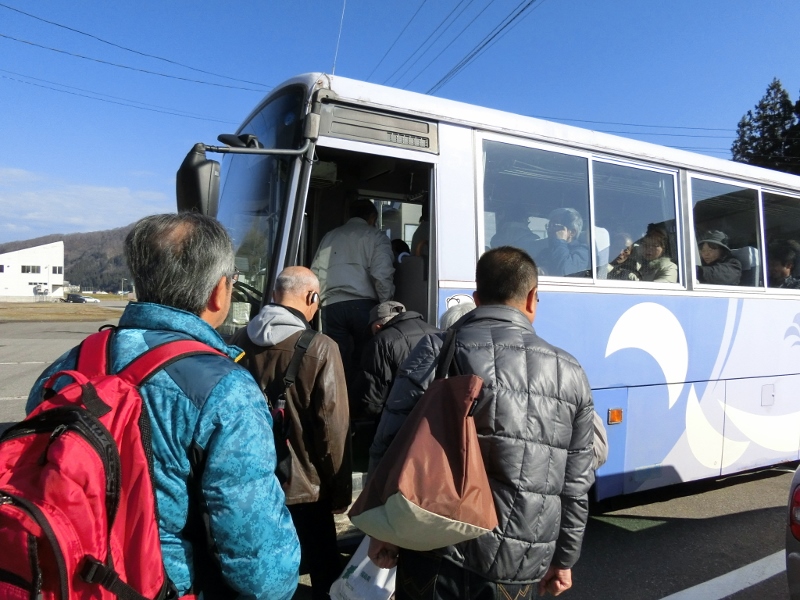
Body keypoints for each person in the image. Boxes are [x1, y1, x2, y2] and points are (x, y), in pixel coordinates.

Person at [26, 213, 300, 599]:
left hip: (60, 576)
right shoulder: (225, 390)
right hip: (164, 587)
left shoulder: (66, 368)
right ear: (218, 292)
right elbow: (257, 557)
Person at [368, 246, 595, 599]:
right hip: (517, 561)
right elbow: (576, 483)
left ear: (476, 298)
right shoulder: (570, 372)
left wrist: (382, 528)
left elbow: (390, 444)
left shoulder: (436, 348)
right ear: (533, 298)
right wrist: (563, 558)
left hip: (433, 542)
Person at [231, 266, 352, 600]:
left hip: (253, 483)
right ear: (312, 298)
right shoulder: (321, 347)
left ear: (273, 297)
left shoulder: (238, 340)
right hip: (306, 491)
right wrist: (340, 491)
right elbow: (333, 431)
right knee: (327, 576)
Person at [311, 199, 395, 383]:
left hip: (331, 307)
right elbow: (381, 274)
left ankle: (335, 404)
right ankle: (357, 406)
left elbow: (316, 273)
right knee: (365, 361)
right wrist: (385, 304)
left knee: (333, 363)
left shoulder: (330, 237)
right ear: (372, 217)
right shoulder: (376, 236)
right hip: (364, 307)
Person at [354, 300, 440, 422]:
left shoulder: (381, 341)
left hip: (401, 419)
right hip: (437, 414)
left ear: (378, 327)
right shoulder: (438, 332)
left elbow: (372, 399)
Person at [534, 207, 590, 276]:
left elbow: (565, 272)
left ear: (572, 232)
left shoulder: (582, 253)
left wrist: (560, 241)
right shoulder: (545, 252)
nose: (549, 230)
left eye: (555, 225)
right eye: (549, 226)